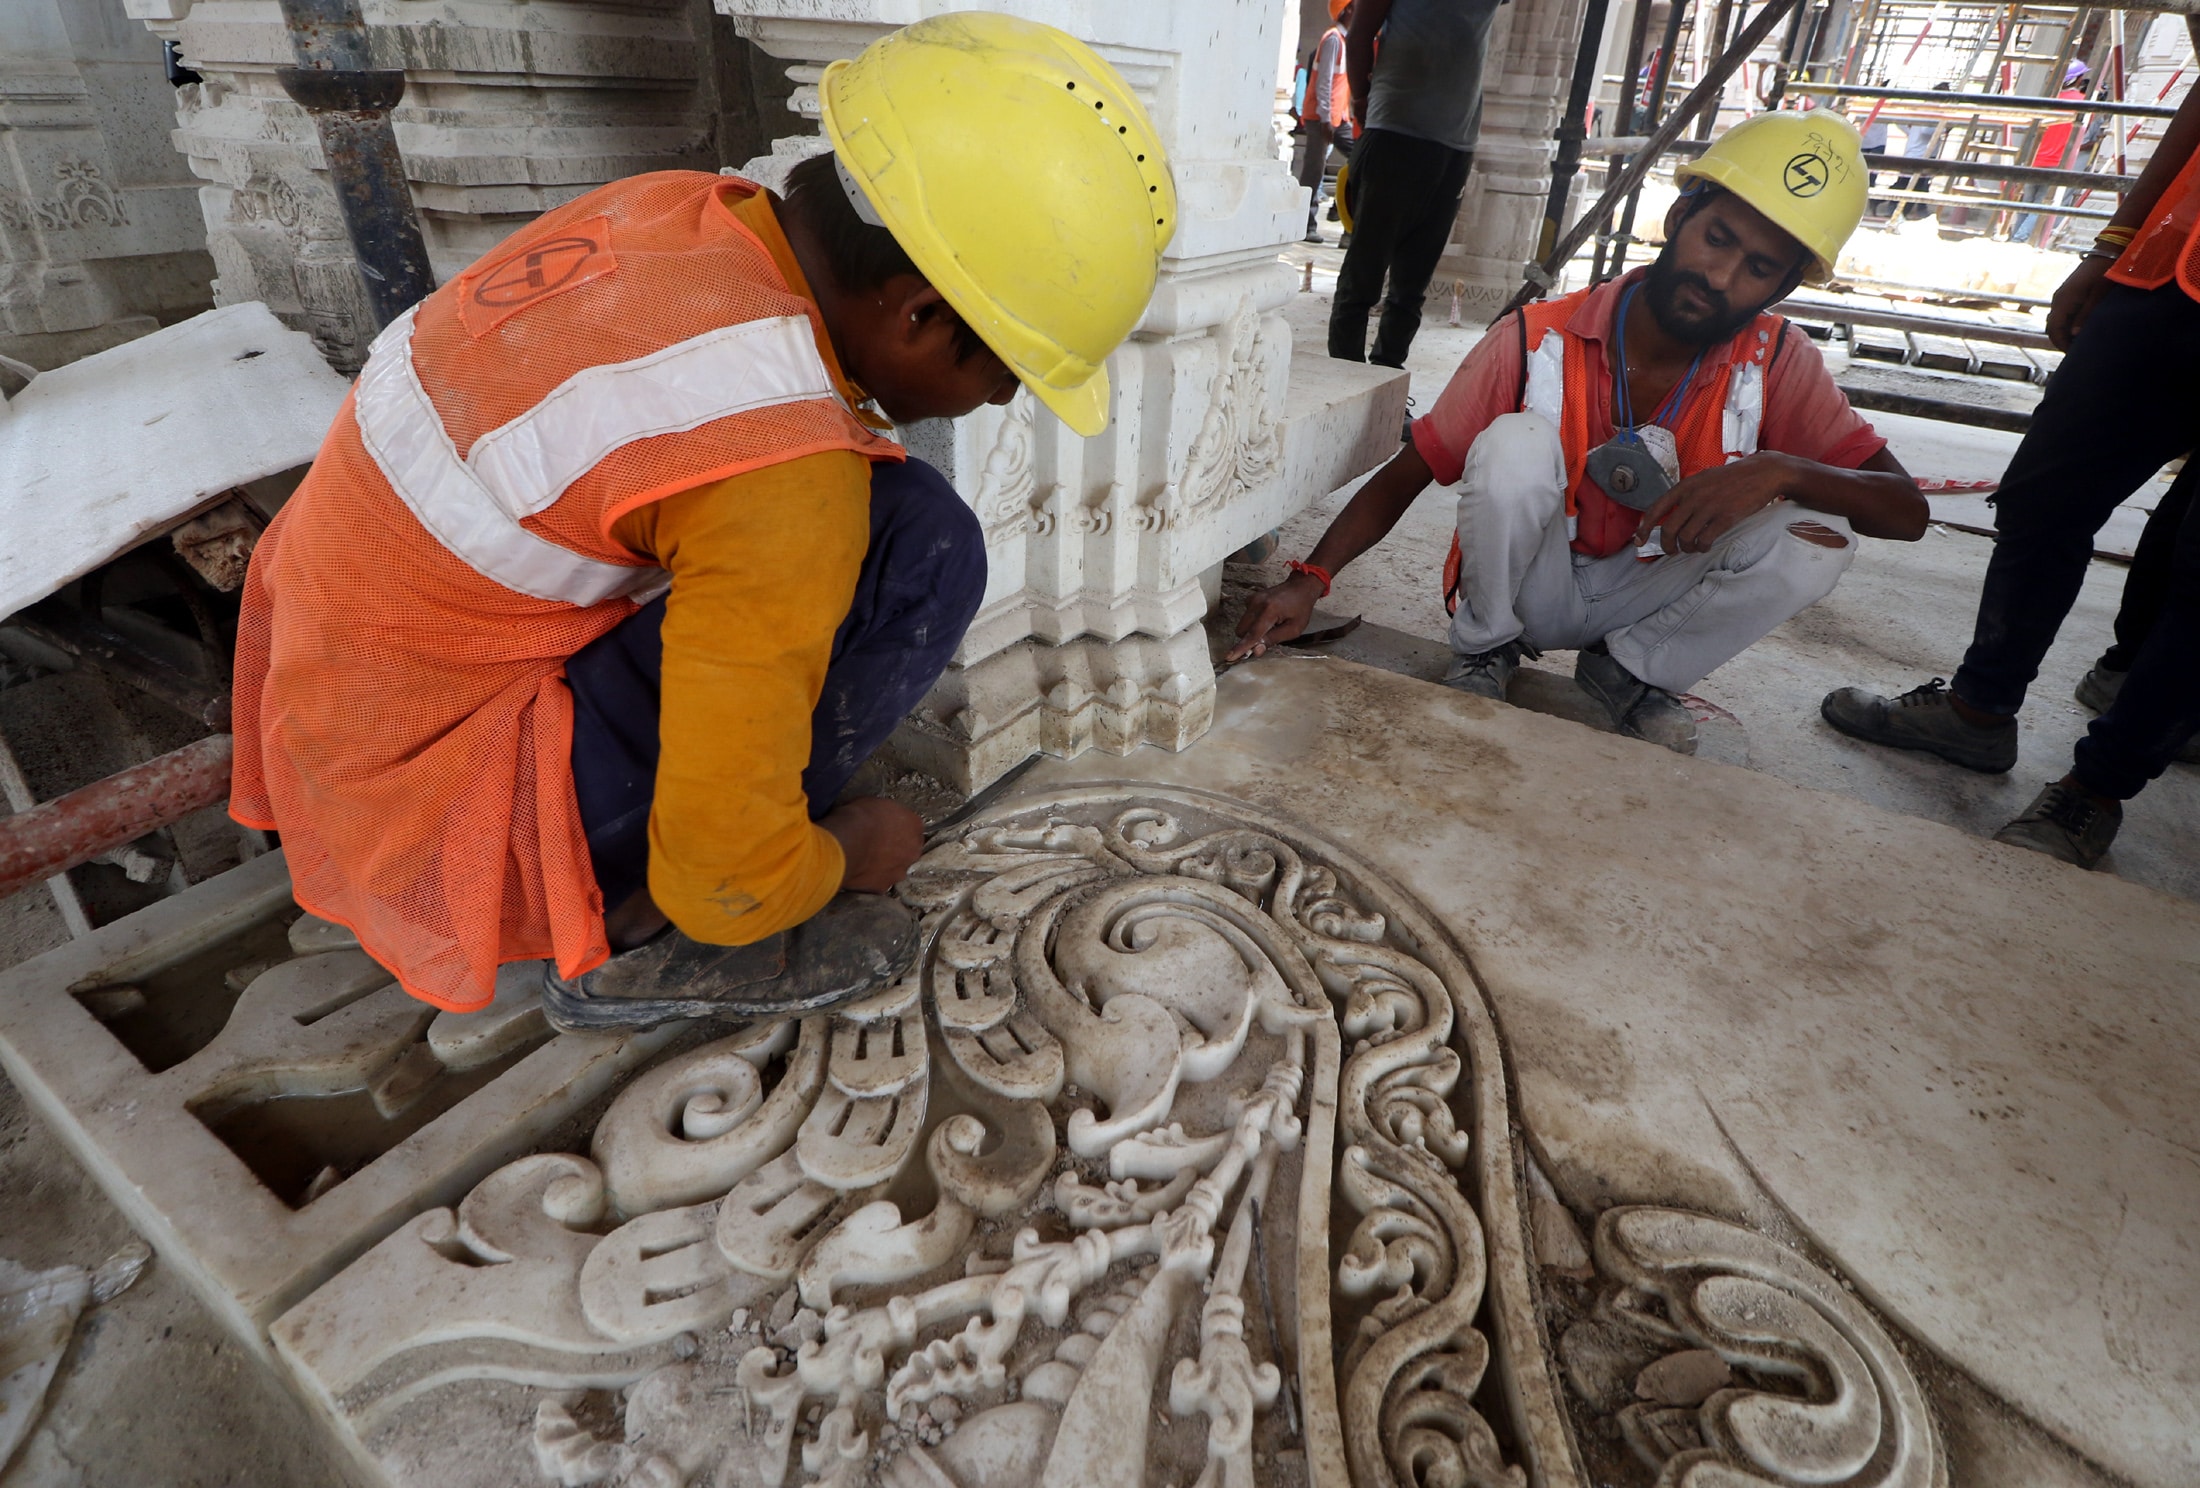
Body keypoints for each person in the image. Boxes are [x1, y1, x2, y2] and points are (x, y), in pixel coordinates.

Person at [226, 13, 1175, 1031]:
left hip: (330, 711)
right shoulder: (784, 479)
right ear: (914, 316)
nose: (995, 403)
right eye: (1003, 369)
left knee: (879, 514)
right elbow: (729, 869)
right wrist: (846, 849)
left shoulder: (675, 212)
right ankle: (637, 936)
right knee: (922, 549)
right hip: (445, 806)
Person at [1240, 113, 1927, 754]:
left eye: (1758, 268)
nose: (1720, 277)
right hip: (1533, 583)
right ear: (1679, 215)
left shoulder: (1776, 360)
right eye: (1717, 238)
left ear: (1780, 291)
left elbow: (1906, 510)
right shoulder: (1537, 335)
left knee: (1819, 538)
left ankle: (1631, 669)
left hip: (1651, 586)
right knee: (1513, 445)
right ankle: (1486, 647)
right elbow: (1410, 469)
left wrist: (1782, 471)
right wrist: (1310, 579)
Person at [1820, 73, 2200, 869]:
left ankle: (2095, 791)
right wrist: (2114, 243)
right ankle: (1978, 709)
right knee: (2043, 495)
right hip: (2169, 272)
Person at [1328, 0, 1502, 368]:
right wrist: (1361, 97)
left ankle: (1387, 381)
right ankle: (1343, 377)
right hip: (1395, 132)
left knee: (1411, 286)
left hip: (1455, 145)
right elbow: (1359, 35)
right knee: (1364, 275)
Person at [1298, 0, 1356, 244]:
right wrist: (1324, 119)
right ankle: (1304, 224)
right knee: (1314, 171)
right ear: (1349, 9)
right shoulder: (1333, 40)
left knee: (1360, 157)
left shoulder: (1343, 40)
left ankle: (1341, 210)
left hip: (1336, 117)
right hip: (1324, 118)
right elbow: (1324, 81)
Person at [2011, 61, 2091, 242]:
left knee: (2026, 204)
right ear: (2079, 79)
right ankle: (2019, 239)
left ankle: (2014, 238)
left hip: (2034, 159)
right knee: (2041, 205)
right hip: (2058, 162)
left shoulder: (2048, 100)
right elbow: (2085, 131)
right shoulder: (2083, 103)